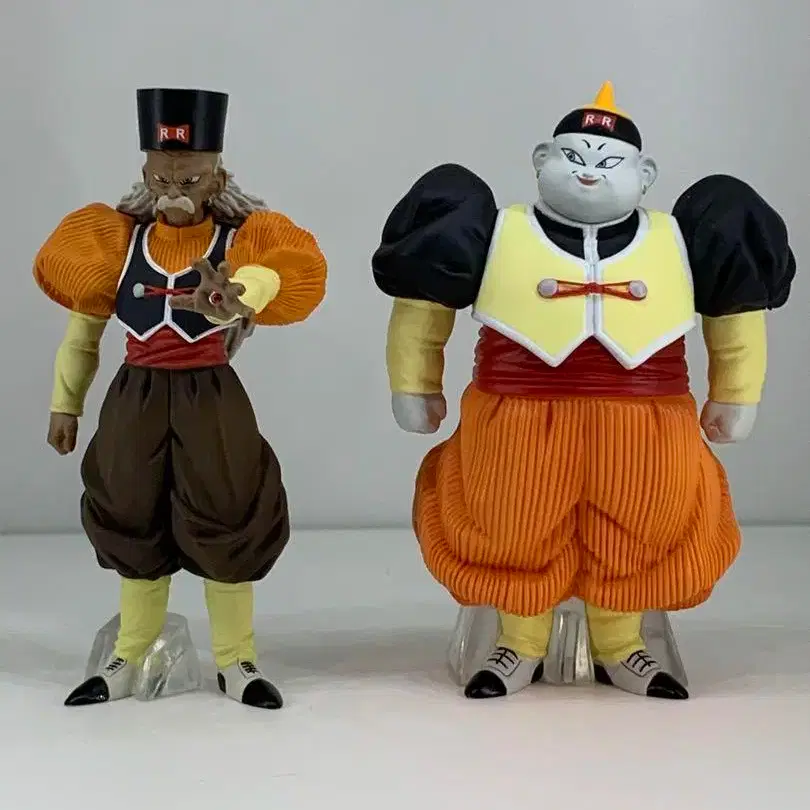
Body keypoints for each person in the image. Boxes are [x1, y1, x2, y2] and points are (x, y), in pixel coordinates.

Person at [371, 81, 795, 701]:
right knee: (511, 524)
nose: (589, 171)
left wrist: (736, 393)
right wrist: (415, 381)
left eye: (610, 161)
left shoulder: (685, 235)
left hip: (646, 421)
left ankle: (622, 643)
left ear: (646, 175)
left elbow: (736, 315)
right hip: (517, 415)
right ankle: (519, 641)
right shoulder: (492, 228)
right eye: (573, 156)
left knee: (642, 528)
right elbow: (424, 303)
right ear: (541, 159)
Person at [35, 87, 327, 709]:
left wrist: (239, 294)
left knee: (229, 512)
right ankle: (130, 652)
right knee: (130, 512)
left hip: (210, 396)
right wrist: (66, 404)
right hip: (134, 396)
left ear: (217, 179)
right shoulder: (116, 244)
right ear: (145, 175)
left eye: (190, 179)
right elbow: (82, 335)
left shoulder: (236, 244)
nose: (174, 190)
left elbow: (274, 270)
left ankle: (236, 658)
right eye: (163, 177)